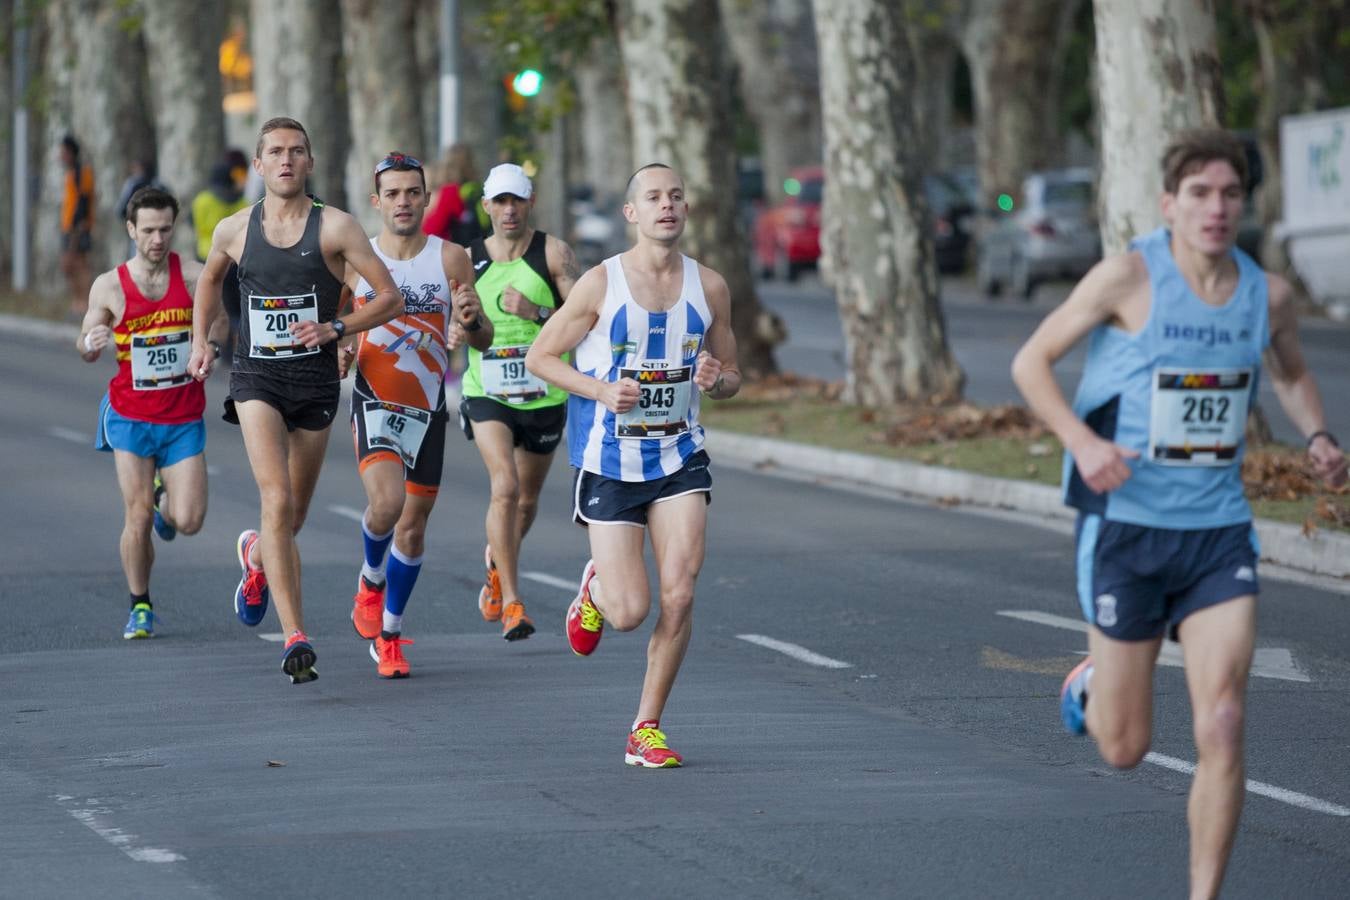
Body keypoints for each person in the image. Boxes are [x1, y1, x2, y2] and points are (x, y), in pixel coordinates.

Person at [1010, 129, 1347, 898]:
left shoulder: (1269, 295)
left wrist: (1319, 435)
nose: (1216, 208)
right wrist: (1083, 443)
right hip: (1125, 528)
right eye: (1199, 193)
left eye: (1230, 194)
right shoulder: (1127, 278)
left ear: (1245, 205)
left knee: (1222, 722)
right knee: (1124, 748)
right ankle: (1093, 685)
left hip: (1216, 535)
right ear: (1169, 205)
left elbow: (1290, 372)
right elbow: (1031, 362)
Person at [525, 163, 741, 767]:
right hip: (610, 461)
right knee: (629, 613)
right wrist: (599, 390)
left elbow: (732, 377)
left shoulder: (711, 287)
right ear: (632, 213)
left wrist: (716, 379)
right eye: (653, 197)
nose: (665, 205)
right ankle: (597, 588)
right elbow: (542, 357)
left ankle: (646, 727)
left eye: (675, 196)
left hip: (680, 455)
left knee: (681, 593)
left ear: (686, 208)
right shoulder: (600, 284)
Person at [188, 117, 403, 685]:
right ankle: (295, 636)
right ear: (258, 165)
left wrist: (339, 327)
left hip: (314, 383)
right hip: (256, 377)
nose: (286, 160)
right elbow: (208, 281)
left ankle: (256, 556)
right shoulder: (235, 229)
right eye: (276, 152)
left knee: (293, 516)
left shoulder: (337, 228)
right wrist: (201, 340)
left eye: (297, 151)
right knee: (276, 497)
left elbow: (390, 298)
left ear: (310, 162)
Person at [340, 151, 492, 677]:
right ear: (376, 201)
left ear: (427, 199)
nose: (403, 202)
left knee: (412, 529)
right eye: (393, 194)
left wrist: (472, 321)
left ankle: (390, 635)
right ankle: (370, 580)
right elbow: (339, 323)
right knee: (387, 504)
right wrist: (341, 349)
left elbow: (483, 337)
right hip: (374, 400)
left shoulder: (451, 259)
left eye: (412, 193)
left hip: (427, 410)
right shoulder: (357, 258)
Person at [77, 186, 229, 639]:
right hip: (130, 416)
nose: (157, 239)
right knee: (137, 515)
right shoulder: (109, 286)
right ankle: (139, 604)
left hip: (182, 418)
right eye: (148, 231)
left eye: (165, 229)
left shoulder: (194, 277)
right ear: (131, 230)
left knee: (189, 521)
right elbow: (85, 340)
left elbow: (220, 319)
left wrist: (210, 347)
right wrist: (91, 343)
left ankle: (165, 501)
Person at [454, 163, 582, 642]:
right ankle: (512, 601)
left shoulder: (553, 253)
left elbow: (584, 319)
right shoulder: (465, 258)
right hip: (486, 390)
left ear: (530, 203)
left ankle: (496, 565)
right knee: (504, 487)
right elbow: (450, 315)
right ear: (486, 206)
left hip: (543, 392)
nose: (509, 210)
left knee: (525, 501)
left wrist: (535, 311)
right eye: (500, 201)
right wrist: (455, 329)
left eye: (517, 201)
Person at [59, 134, 96, 318]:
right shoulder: (71, 173)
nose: (61, 156)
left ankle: (85, 303)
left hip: (79, 227)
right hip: (68, 227)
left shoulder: (83, 172)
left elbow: (83, 201)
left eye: (64, 152)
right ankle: (77, 302)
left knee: (80, 264)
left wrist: (78, 227)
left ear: (71, 153)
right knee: (68, 265)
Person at [424, 143, 488, 247]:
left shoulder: (449, 191)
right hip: (474, 245)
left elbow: (433, 228)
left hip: (445, 246)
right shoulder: (476, 188)